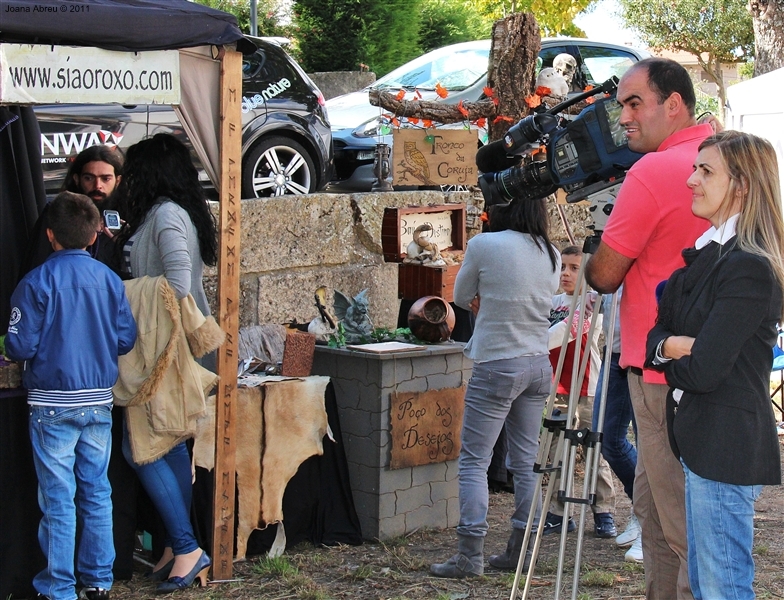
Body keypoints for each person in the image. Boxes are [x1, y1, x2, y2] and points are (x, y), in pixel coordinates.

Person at [584, 57, 715, 599]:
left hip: (660, 369)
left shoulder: (655, 171)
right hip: (708, 365)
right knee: (656, 514)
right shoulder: (729, 158)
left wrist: (595, 252)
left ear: (674, 104)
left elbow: (604, 274)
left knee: (679, 526)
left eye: (635, 104)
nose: (625, 119)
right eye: (622, 108)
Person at [645, 131, 783, 599]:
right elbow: (655, 338)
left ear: (741, 185)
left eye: (706, 171)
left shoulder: (749, 265)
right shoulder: (711, 253)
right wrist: (676, 347)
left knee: (722, 588)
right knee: (708, 586)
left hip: (725, 444)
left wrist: (677, 351)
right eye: (694, 169)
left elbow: (705, 370)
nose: (691, 180)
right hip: (703, 440)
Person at [4, 192, 137, 600]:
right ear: (96, 235)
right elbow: (126, 338)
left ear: (50, 235)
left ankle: (58, 587)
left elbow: (19, 347)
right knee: (97, 491)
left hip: (51, 402)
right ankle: (98, 581)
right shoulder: (110, 281)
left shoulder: (36, 282)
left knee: (58, 496)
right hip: (97, 399)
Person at [430, 197, 561, 578]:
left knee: (474, 460)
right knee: (524, 461)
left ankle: (470, 555)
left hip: (497, 362)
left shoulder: (485, 245)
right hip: (537, 364)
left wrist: (485, 300)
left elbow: (457, 296)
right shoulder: (550, 251)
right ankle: (520, 550)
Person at [115, 133, 218, 593]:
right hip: (161, 347)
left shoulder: (168, 216)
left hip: (162, 351)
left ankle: (187, 545)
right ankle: (178, 548)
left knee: (142, 450)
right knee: (170, 447)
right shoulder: (167, 214)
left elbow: (176, 283)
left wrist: (123, 294)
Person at [543, 245, 617, 539]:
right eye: (562, 267)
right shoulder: (552, 302)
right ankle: (559, 512)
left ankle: (603, 510)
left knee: (593, 451)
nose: (566, 273)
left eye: (575, 268)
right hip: (558, 388)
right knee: (556, 451)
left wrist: (531, 340)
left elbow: (567, 331)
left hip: (587, 387)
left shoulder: (593, 304)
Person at [591, 287, 643, 562]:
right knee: (608, 439)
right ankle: (643, 508)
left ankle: (653, 524)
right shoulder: (614, 250)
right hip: (615, 354)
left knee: (651, 445)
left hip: (647, 356)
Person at [22, 145, 124, 274]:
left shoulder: (126, 214)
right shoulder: (57, 212)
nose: (98, 186)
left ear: (118, 180)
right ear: (77, 179)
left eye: (105, 179)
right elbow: (36, 264)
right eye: (89, 178)